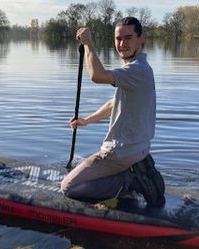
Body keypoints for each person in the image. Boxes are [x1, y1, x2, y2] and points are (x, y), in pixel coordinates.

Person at [60, 17, 165, 207]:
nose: (122, 44)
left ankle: (129, 182)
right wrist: (86, 121)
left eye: (128, 38)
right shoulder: (139, 69)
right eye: (118, 39)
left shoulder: (138, 70)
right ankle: (130, 174)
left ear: (141, 39)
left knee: (68, 186)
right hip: (137, 151)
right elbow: (114, 104)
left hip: (120, 152)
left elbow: (97, 76)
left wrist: (89, 44)